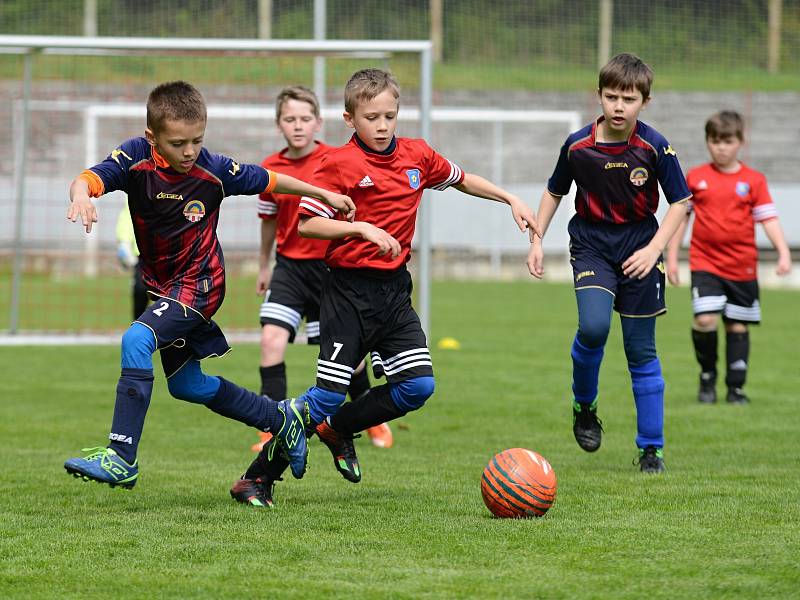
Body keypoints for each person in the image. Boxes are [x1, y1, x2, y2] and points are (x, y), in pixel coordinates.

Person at [229, 68, 539, 507]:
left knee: (417, 387)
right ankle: (256, 479)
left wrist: (511, 198)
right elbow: (309, 223)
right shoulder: (336, 163)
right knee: (324, 397)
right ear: (350, 119)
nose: (382, 125)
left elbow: (462, 178)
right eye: (371, 117)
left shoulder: (417, 155)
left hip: (394, 292)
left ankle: (338, 429)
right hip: (347, 293)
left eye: (389, 116)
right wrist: (360, 230)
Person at [63, 80, 354, 489]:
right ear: (152, 138)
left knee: (136, 340)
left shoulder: (213, 170)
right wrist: (81, 196)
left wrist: (323, 192)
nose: (189, 152)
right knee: (187, 385)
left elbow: (273, 180)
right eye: (178, 142)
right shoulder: (133, 157)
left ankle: (121, 456)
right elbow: (90, 178)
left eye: (196, 141)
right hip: (163, 288)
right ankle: (281, 419)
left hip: (200, 283)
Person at [527, 53, 692, 473]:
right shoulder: (578, 146)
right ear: (598, 96)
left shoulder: (655, 147)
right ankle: (585, 406)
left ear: (645, 102)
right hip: (592, 246)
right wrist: (537, 239)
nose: (619, 106)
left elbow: (681, 203)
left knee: (641, 350)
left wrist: (654, 250)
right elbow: (554, 192)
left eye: (629, 99)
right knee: (595, 327)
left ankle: (651, 448)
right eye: (612, 96)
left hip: (640, 247)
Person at [251, 86, 393, 463]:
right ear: (279, 123)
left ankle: (370, 415)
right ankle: (272, 426)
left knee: (348, 356)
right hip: (289, 270)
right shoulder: (271, 167)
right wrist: (264, 265)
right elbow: (268, 223)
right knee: (271, 341)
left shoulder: (335, 159)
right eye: (289, 119)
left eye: (304, 119)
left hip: (330, 270)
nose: (297, 126)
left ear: (318, 121)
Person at [666, 110, 792, 405]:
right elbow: (681, 219)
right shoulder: (696, 178)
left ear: (740, 142)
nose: (721, 147)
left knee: (737, 325)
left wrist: (783, 252)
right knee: (706, 320)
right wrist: (672, 257)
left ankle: (736, 388)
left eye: (728, 141)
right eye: (715, 140)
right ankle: (707, 376)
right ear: (708, 142)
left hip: (742, 266)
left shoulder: (754, 181)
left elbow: (768, 219)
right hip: (705, 263)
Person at [116, 206, 149, 320]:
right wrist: (124, 242)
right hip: (142, 255)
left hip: (171, 254)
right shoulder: (138, 190)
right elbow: (127, 216)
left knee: (169, 296)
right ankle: (138, 325)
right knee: (140, 290)